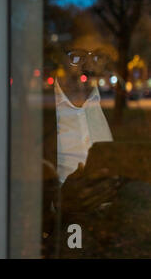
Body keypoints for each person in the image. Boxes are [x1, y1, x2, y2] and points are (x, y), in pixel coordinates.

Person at [41, 36, 151, 258]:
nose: (88, 66)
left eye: (98, 58)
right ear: (59, 63)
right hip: (59, 237)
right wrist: (58, 206)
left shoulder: (118, 114)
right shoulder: (35, 120)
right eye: (76, 57)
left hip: (115, 233)